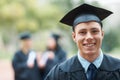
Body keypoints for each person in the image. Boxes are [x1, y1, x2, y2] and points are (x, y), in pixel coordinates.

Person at [45, 3, 120, 80]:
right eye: (82, 32)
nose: (89, 37)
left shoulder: (118, 68)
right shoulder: (58, 74)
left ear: (102, 34)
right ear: (74, 37)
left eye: (94, 31)